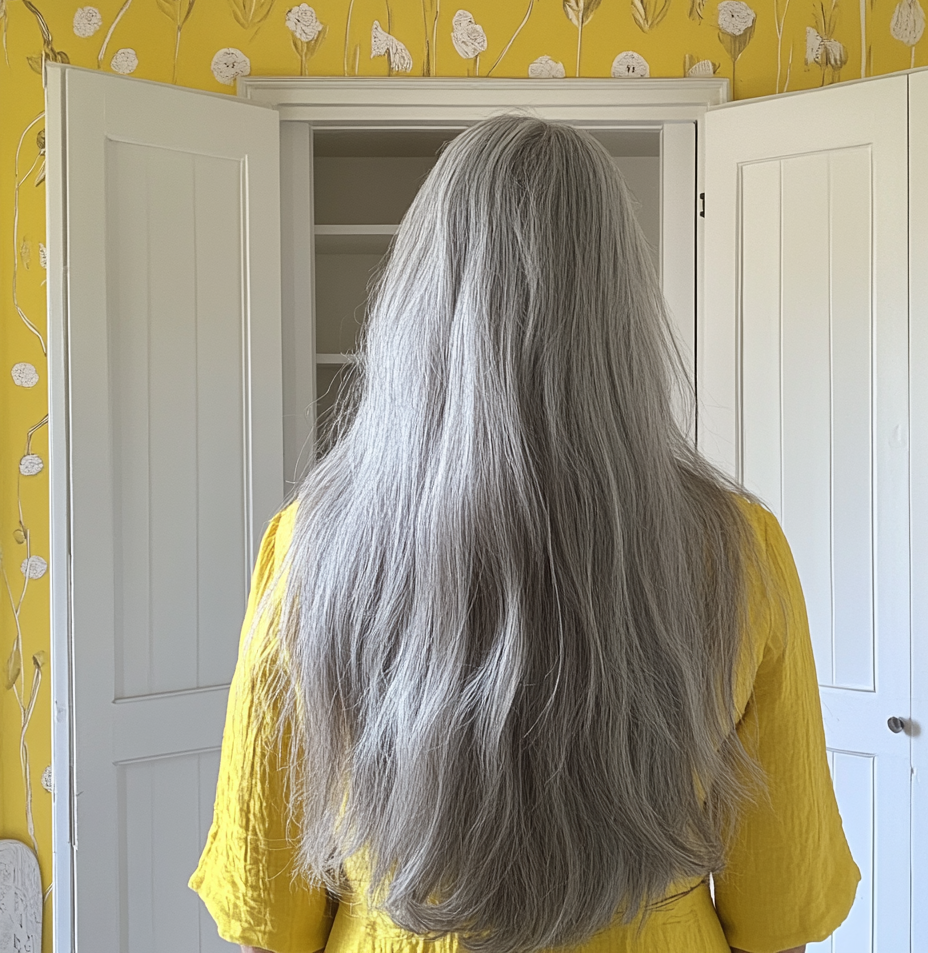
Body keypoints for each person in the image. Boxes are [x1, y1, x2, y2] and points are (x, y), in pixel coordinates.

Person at [189, 115, 859, 953]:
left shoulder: (312, 547)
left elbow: (268, 916)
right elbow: (779, 911)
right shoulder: (737, 551)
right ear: (620, 308)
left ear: (418, 297)